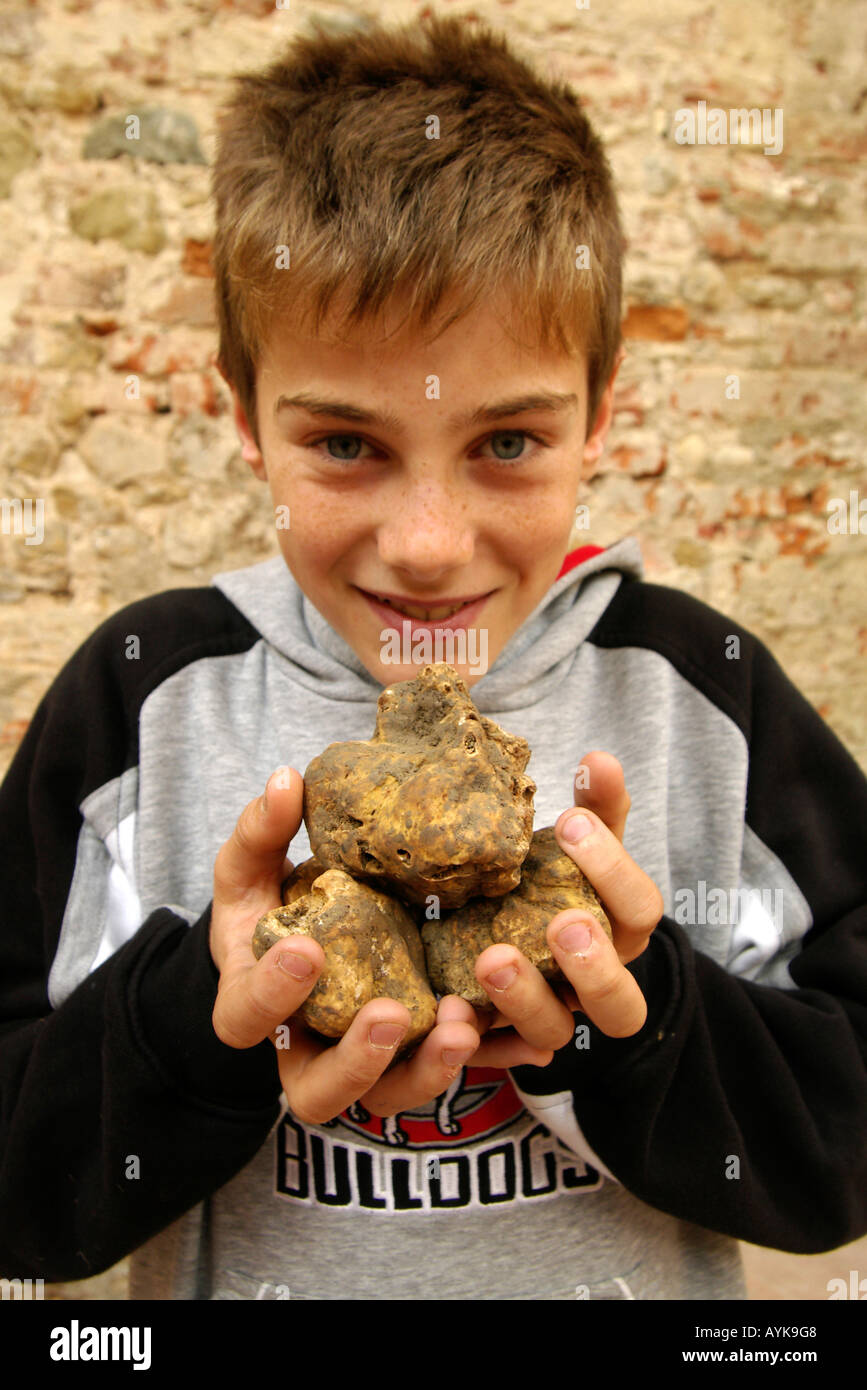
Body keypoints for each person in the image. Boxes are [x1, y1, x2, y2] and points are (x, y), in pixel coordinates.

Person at [1, 14, 865, 1302]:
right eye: (345, 445)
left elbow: (845, 1153)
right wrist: (202, 1023)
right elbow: (19, 1204)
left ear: (600, 413)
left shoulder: (708, 694)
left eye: (507, 443)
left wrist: (635, 1025)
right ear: (246, 418)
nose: (426, 545)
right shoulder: (139, 703)